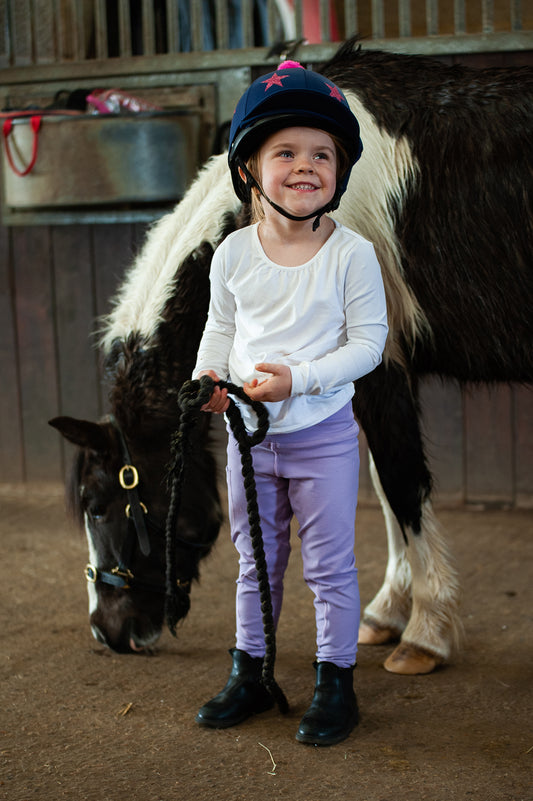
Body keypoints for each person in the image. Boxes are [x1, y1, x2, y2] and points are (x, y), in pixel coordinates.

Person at [192, 60, 388, 746]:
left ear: (338, 171)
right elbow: (220, 328)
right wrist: (209, 378)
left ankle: (335, 680)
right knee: (256, 559)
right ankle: (251, 671)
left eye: (321, 154)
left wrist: (298, 380)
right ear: (249, 168)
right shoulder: (234, 255)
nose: (304, 166)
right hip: (250, 438)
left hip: (322, 435)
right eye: (285, 152)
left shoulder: (351, 256)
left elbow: (367, 344)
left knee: (329, 562)